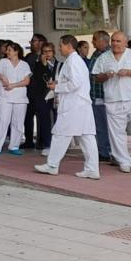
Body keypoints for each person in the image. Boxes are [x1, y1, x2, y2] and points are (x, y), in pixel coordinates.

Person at [35, 35, 100, 179]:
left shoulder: (73, 62)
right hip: (80, 104)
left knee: (60, 134)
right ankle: (92, 168)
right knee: (86, 136)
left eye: (60, 45)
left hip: (74, 104)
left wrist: (57, 87)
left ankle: (52, 165)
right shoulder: (74, 61)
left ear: (68, 45)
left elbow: (74, 84)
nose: (59, 48)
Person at [93, 31, 131, 175]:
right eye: (113, 41)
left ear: (126, 42)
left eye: (119, 41)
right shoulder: (104, 57)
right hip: (113, 99)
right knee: (116, 133)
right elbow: (96, 77)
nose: (115, 43)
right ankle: (124, 161)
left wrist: (129, 72)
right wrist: (106, 75)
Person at [0, 42, 32, 156]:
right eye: (7, 50)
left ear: (16, 51)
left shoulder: (24, 64)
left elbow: (27, 81)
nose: (7, 52)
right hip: (5, 98)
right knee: (2, 121)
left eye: (10, 50)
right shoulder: (3, 62)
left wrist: (13, 85)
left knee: (18, 123)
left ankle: (14, 146)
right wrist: (1, 76)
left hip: (20, 98)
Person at [87, 31, 113, 161]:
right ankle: (103, 151)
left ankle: (109, 152)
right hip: (94, 95)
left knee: (107, 126)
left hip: (106, 97)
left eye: (95, 39)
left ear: (104, 41)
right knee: (99, 126)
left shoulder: (110, 55)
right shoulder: (96, 54)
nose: (92, 42)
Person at [27, 42, 57, 155]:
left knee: (58, 119)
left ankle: (57, 144)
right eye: (44, 52)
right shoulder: (38, 65)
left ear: (53, 52)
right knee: (44, 120)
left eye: (49, 51)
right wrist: (43, 65)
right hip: (42, 95)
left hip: (55, 94)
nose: (47, 54)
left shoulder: (59, 64)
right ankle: (47, 143)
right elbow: (39, 79)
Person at [22, 33, 47, 149]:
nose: (32, 43)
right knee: (28, 116)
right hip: (29, 91)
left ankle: (42, 141)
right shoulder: (29, 57)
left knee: (42, 117)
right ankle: (29, 140)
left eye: (35, 41)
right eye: (32, 41)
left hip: (42, 91)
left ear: (41, 42)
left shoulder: (46, 56)